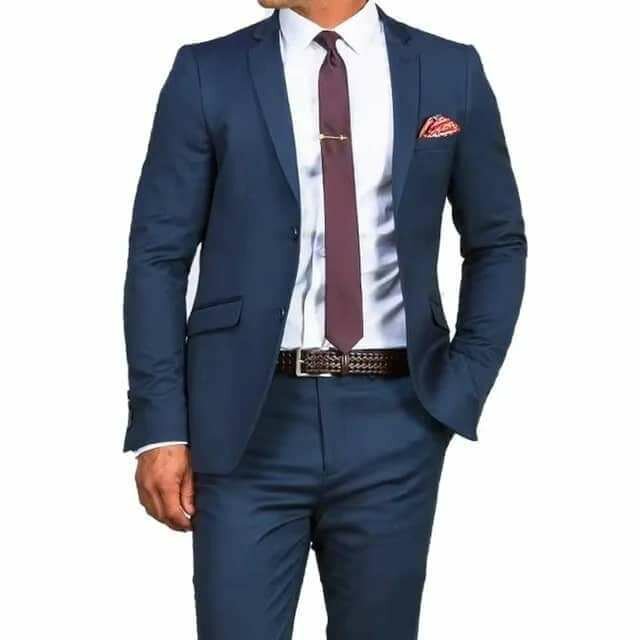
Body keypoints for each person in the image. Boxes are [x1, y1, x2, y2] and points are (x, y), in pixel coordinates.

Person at [124, 1, 526, 637]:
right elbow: (158, 257)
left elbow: (497, 241)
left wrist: (463, 384)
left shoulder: (451, 71)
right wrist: (160, 427)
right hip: (243, 422)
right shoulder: (207, 72)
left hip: (397, 421)